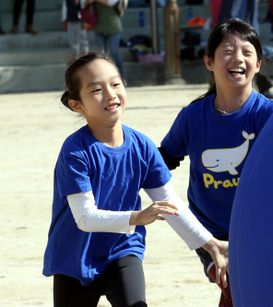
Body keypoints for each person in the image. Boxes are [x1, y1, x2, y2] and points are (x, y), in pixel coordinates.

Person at [42, 52, 229, 306]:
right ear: (77, 105)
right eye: (96, 90)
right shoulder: (75, 151)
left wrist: (211, 244)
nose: (110, 94)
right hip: (74, 257)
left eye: (116, 83)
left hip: (122, 249)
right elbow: (84, 217)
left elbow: (169, 202)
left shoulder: (142, 146)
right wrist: (137, 217)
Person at [158, 18, 273, 307]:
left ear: (259, 64)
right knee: (235, 285)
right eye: (227, 50)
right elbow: (163, 161)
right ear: (209, 62)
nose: (237, 58)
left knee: (250, 289)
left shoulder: (271, 116)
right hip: (209, 230)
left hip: (256, 228)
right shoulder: (192, 117)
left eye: (247, 52)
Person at [217, 0, 273, 98]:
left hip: (242, 28)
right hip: (239, 30)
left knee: (252, 59)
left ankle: (263, 88)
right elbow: (232, 10)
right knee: (249, 59)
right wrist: (232, 31)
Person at [86, 0, 126, 80]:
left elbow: (111, 2)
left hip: (113, 26)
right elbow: (86, 3)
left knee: (114, 53)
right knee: (102, 55)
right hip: (99, 27)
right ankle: (105, 78)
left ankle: (122, 77)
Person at [62, 0, 90, 64]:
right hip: (70, 22)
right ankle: (75, 57)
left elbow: (84, 9)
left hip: (79, 22)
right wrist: (64, 21)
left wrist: (85, 20)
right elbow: (64, 10)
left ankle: (85, 55)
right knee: (72, 40)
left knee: (82, 39)